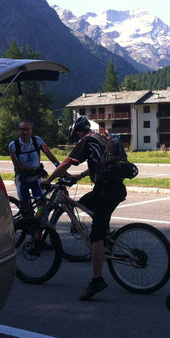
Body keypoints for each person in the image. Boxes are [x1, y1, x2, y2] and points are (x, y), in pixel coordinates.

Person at [42, 116, 127, 301]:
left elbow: (66, 162)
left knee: (95, 236)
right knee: (84, 202)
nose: (76, 140)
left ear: (78, 132)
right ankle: (104, 232)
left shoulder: (86, 140)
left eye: (75, 137)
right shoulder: (101, 138)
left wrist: (48, 180)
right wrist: (78, 176)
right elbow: (98, 163)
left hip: (107, 191)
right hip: (111, 187)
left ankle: (97, 280)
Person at [9, 121, 60, 214]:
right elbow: (18, 167)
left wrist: (59, 167)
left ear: (31, 131)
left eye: (28, 130)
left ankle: (37, 223)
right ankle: (27, 222)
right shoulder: (13, 145)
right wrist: (36, 169)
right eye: (23, 129)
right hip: (22, 179)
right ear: (18, 131)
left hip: (36, 179)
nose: (25, 132)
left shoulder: (37, 140)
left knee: (42, 205)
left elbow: (50, 154)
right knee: (26, 208)